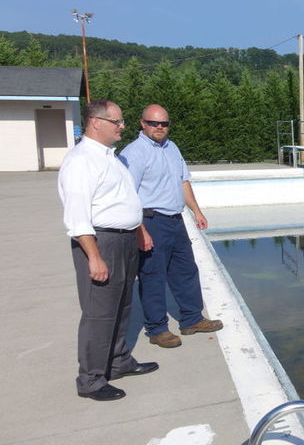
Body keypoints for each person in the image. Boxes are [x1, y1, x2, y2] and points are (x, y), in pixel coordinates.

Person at [58, 100, 159, 401]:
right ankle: (90, 379)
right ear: (95, 122)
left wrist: (138, 229)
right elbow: (77, 217)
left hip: (124, 240)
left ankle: (117, 361)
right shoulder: (81, 161)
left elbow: (122, 199)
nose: (122, 126)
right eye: (117, 122)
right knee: (99, 313)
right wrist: (95, 256)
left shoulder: (109, 158)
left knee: (123, 305)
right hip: (101, 242)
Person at [121, 104, 223, 348]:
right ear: (142, 123)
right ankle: (157, 329)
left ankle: (192, 319)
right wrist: (140, 229)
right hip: (150, 221)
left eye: (164, 123)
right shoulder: (134, 153)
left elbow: (183, 181)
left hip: (175, 221)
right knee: (153, 275)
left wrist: (196, 211)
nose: (159, 127)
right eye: (154, 123)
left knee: (185, 270)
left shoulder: (172, 147)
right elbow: (127, 195)